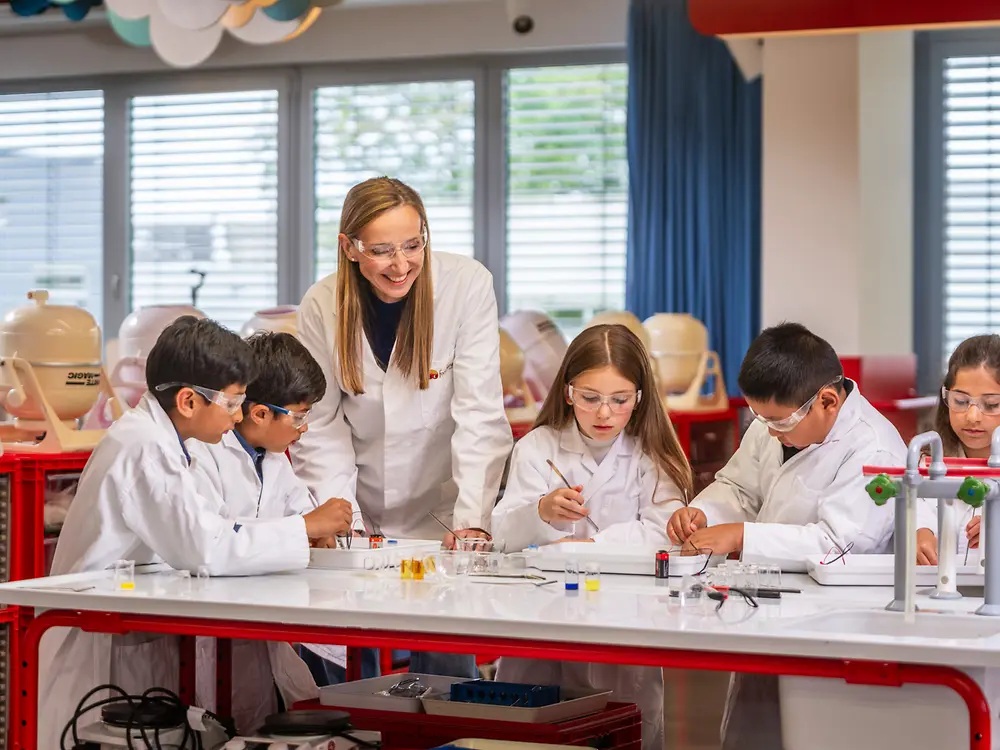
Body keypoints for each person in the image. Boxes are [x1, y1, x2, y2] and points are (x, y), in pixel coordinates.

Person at [39, 317, 351, 750]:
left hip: (135, 632)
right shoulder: (146, 448)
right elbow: (209, 547)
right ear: (188, 400)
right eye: (232, 403)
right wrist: (302, 529)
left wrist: (300, 530)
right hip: (102, 646)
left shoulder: (165, 441)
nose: (240, 415)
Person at [291, 176, 512, 680]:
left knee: (446, 667)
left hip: (444, 510)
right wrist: (341, 517)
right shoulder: (321, 305)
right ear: (349, 248)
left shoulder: (466, 284)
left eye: (413, 245)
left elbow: (479, 411)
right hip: (359, 503)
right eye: (382, 251)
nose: (402, 264)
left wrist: (473, 517)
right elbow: (321, 424)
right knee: (356, 663)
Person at [665, 321, 907, 750]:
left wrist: (742, 535)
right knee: (753, 734)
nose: (768, 429)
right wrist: (702, 513)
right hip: (768, 608)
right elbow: (739, 486)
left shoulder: (875, 450)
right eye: (760, 417)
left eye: (777, 421)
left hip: (834, 627)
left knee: (812, 734)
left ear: (828, 401)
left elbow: (838, 546)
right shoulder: (777, 418)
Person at [492, 324, 692, 750]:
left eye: (619, 400)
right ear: (567, 392)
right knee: (531, 735)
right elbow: (504, 534)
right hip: (540, 620)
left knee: (618, 730)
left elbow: (666, 533)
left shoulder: (652, 451)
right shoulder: (537, 446)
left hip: (623, 617)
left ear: (639, 397)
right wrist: (541, 511)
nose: (604, 414)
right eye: (590, 398)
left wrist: (589, 549)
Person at [187, 331, 356, 731]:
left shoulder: (272, 458)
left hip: (257, 630)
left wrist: (318, 530)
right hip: (207, 633)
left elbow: (301, 516)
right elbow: (212, 543)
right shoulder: (204, 454)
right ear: (260, 413)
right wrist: (304, 528)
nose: (305, 428)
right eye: (299, 416)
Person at [915, 334, 1000, 564]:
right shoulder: (927, 463)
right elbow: (916, 508)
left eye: (991, 404)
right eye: (961, 401)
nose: (972, 417)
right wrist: (919, 533)